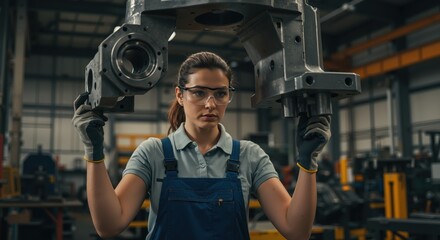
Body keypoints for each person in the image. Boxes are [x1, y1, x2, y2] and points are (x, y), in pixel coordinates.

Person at [72, 51, 331, 240]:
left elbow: (296, 231)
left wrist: (308, 165)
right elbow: (108, 225)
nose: (210, 104)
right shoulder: (153, 154)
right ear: (180, 95)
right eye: (199, 92)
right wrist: (94, 154)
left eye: (220, 93)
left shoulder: (250, 156)